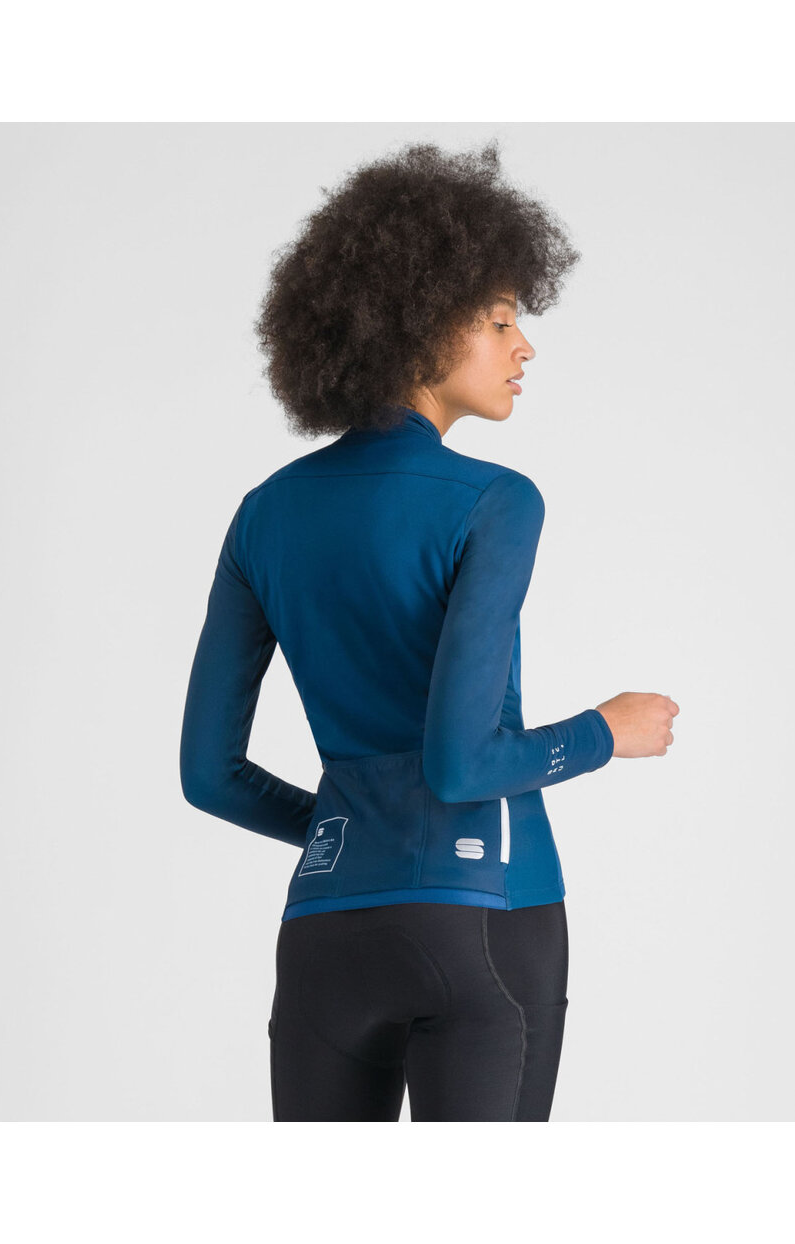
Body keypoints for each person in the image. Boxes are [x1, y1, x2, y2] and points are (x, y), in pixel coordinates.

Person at [179, 140, 679, 1121]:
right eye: (499, 321)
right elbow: (460, 764)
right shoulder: (494, 500)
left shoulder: (264, 514)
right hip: (484, 919)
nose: (523, 347)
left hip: (325, 935)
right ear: (418, 322)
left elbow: (208, 774)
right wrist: (604, 731)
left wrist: (347, 826)